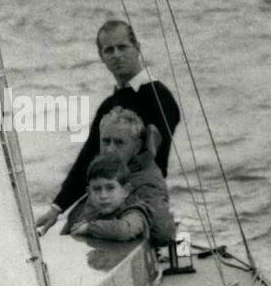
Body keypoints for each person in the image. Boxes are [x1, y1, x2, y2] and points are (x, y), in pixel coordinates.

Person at [35, 19, 180, 234]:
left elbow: (156, 163)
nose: (116, 55)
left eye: (122, 47)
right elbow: (89, 158)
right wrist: (57, 208)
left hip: (140, 199)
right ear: (101, 56)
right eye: (109, 50)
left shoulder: (159, 98)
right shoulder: (109, 104)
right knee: (69, 232)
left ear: (137, 48)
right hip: (108, 195)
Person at [96, 106, 176, 246]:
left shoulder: (146, 183)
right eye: (106, 141)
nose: (110, 149)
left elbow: (165, 233)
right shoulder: (115, 170)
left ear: (137, 146)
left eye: (119, 142)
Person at [61, 154, 149, 242]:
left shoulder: (134, 212)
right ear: (89, 193)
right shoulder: (91, 212)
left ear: (125, 191)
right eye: (97, 189)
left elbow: (124, 231)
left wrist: (89, 228)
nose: (103, 196)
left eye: (110, 188)